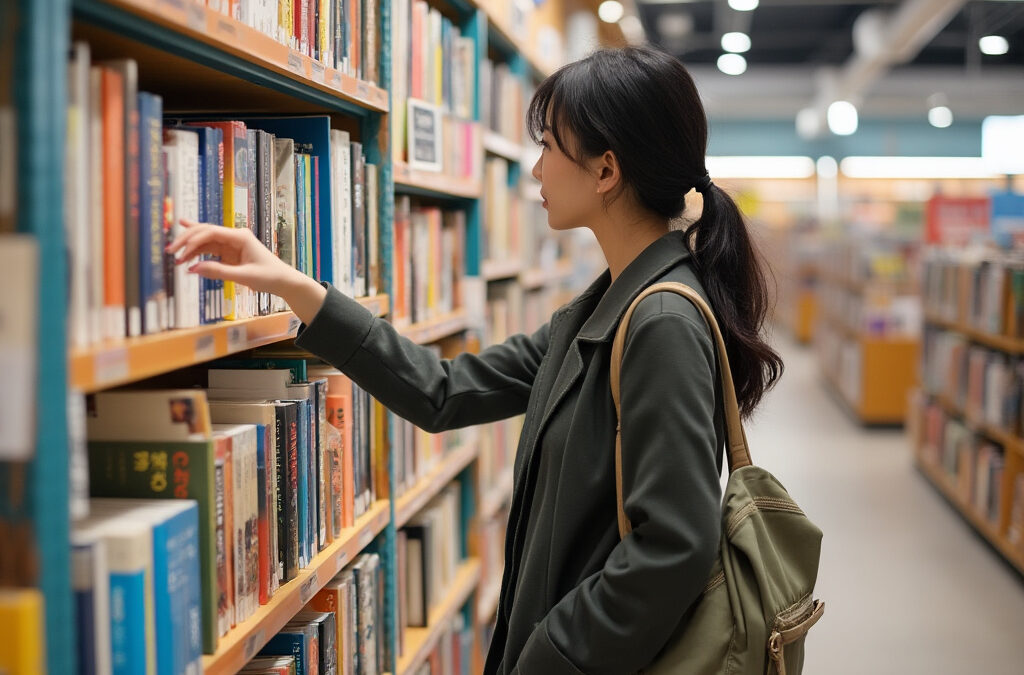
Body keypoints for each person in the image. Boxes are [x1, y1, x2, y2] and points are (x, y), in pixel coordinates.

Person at [168, 45, 783, 674]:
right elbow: (444, 390)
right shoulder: (602, 310)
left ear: (605, 172)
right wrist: (299, 288)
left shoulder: (659, 323)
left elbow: (673, 547)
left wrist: (553, 651)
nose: (536, 170)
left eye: (549, 147)